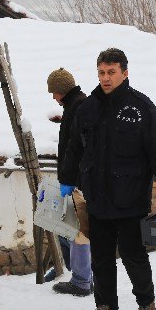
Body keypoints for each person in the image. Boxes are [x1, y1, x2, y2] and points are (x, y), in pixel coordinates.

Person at [59, 48, 156, 310]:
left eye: (111, 72)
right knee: (101, 258)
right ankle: (106, 309)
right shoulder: (88, 108)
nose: (106, 78)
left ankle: (145, 300)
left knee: (133, 255)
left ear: (125, 73)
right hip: (98, 198)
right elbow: (74, 150)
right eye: (101, 72)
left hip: (130, 198)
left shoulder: (142, 108)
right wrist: (67, 179)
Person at [45, 68, 93, 297]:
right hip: (75, 179)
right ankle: (71, 270)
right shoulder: (75, 106)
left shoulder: (79, 107)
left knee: (78, 230)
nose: (53, 97)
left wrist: (70, 179)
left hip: (78, 181)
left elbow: (77, 148)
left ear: (61, 90)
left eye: (53, 92)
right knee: (67, 227)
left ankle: (82, 281)